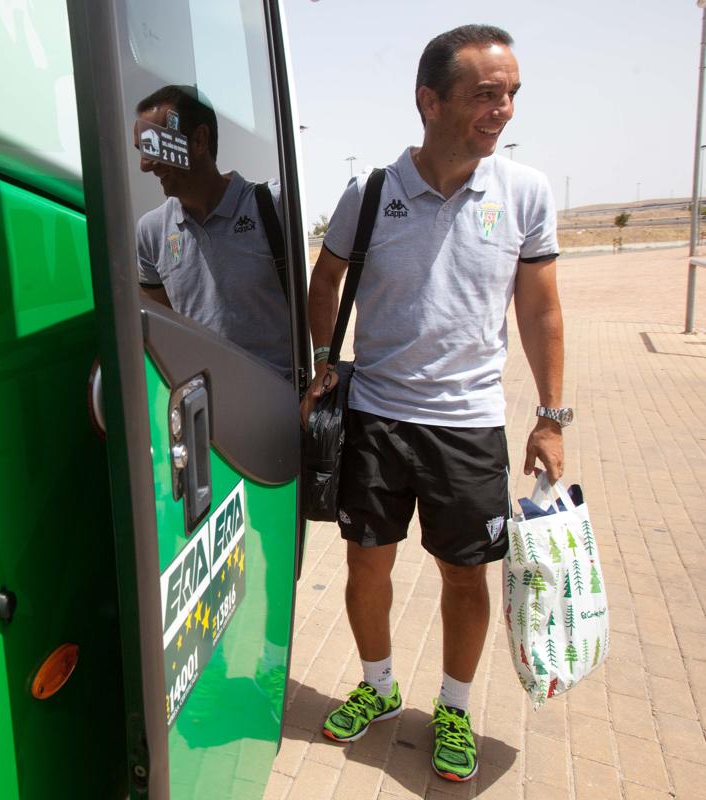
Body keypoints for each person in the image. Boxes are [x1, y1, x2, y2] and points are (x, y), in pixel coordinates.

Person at [301, 25, 567, 783]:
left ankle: (453, 706)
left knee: (464, 574)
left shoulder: (524, 193)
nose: (504, 109)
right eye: (487, 94)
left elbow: (542, 312)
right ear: (430, 100)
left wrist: (552, 417)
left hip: (469, 425)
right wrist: (324, 361)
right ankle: (379, 689)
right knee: (366, 562)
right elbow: (326, 281)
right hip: (378, 418)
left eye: (512, 94)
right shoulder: (372, 191)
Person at [134, 85, 292, 376]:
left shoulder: (274, 205)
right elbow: (165, 333)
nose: (145, 165)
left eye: (154, 146)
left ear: (199, 140)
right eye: (141, 150)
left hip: (280, 405)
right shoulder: (150, 232)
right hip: (203, 410)